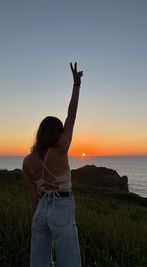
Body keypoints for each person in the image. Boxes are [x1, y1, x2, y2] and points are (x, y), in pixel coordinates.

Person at [22, 62, 83, 267]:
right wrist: (76, 85)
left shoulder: (26, 162)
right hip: (61, 207)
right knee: (69, 261)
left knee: (38, 263)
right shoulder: (61, 148)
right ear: (58, 132)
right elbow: (71, 115)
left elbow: (33, 197)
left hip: (40, 213)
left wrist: (40, 217)